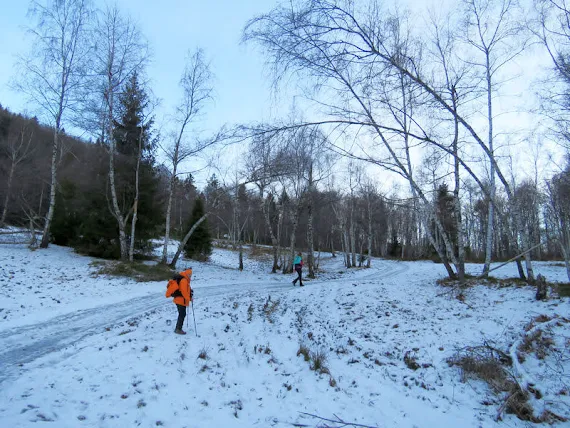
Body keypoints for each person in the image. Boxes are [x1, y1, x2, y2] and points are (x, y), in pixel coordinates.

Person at [172, 268, 193, 335]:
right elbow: (184, 292)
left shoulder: (185, 280)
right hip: (180, 300)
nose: (190, 276)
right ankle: (178, 329)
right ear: (186, 274)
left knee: (182, 314)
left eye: (191, 275)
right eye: (189, 275)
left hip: (180, 300)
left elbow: (186, 290)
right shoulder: (184, 280)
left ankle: (178, 328)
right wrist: (189, 298)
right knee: (182, 314)